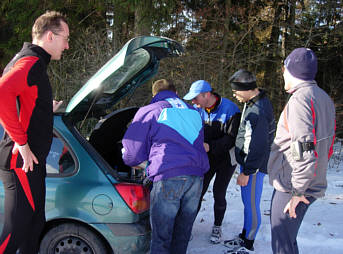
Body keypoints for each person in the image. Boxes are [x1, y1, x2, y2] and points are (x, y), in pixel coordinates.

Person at [0, 11, 69, 254]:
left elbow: (22, 99)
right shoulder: (31, 62)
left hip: (30, 162)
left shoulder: (31, 61)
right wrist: (22, 143)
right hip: (21, 161)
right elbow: (2, 93)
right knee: (17, 228)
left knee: (34, 224)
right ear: (50, 36)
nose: (67, 45)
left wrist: (43, 108)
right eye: (65, 38)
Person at [122, 79, 209, 254]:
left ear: (155, 95)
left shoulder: (149, 111)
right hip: (196, 178)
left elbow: (131, 153)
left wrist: (146, 165)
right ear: (176, 93)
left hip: (168, 176)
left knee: (161, 237)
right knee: (182, 233)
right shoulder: (194, 111)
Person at [268, 48, 336, 254]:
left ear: (293, 71)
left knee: (282, 243)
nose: (282, 74)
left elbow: (303, 147)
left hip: (293, 185)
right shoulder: (323, 97)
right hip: (309, 179)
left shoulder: (300, 100)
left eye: (284, 69)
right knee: (287, 240)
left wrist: (298, 190)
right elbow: (328, 144)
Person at [223, 69, 276, 254]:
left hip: (254, 166)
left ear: (246, 88)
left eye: (236, 91)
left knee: (252, 204)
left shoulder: (258, 110)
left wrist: (248, 171)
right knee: (247, 202)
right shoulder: (252, 102)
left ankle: (249, 244)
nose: (234, 94)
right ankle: (244, 235)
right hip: (248, 164)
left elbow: (259, 145)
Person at [183, 80, 241, 243]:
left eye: (195, 98)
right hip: (206, 158)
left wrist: (210, 146)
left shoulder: (231, 110)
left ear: (206, 95)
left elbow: (232, 138)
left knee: (219, 192)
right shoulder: (196, 109)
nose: (193, 102)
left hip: (226, 159)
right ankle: (187, 227)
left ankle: (217, 226)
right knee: (197, 192)